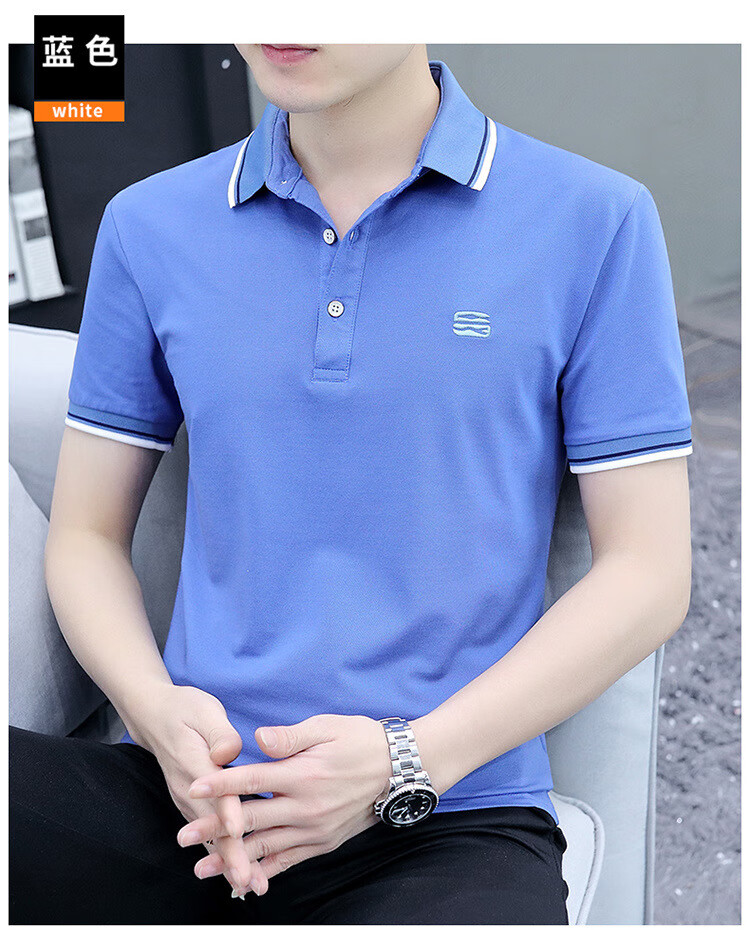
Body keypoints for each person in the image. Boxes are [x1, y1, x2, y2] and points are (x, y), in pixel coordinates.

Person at [9, 44, 693, 924]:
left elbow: (648, 572)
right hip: (188, 800)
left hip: (445, 817)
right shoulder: (150, 225)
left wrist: (405, 760)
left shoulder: (594, 220)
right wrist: (154, 716)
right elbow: (86, 535)